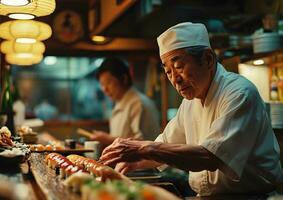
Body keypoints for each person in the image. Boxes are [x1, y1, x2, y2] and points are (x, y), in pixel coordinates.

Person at [99, 22, 283, 196]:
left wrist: (144, 148)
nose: (175, 79)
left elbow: (211, 156)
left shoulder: (239, 93)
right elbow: (167, 145)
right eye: (168, 71)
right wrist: (132, 161)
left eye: (179, 66)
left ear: (208, 59)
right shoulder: (190, 102)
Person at [90, 57, 160, 147]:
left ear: (124, 79)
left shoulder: (138, 103)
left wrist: (108, 139)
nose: (105, 89)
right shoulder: (120, 102)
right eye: (102, 85)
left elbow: (144, 143)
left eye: (109, 83)